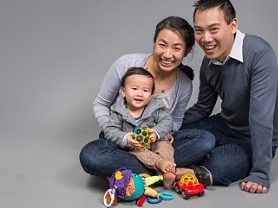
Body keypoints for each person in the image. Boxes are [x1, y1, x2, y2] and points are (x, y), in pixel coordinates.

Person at [79, 16, 214, 181]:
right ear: (154, 43)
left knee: (205, 140)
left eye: (177, 48)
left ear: (186, 51)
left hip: (157, 141)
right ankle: (169, 171)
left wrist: (162, 133)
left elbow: (176, 121)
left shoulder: (184, 84)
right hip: (122, 141)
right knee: (91, 155)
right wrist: (121, 137)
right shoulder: (126, 64)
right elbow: (101, 104)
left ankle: (133, 172)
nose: (167, 54)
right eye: (162, 45)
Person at [182, 0, 278, 194]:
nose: (205, 39)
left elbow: (260, 117)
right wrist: (164, 125)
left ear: (233, 25)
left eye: (214, 29)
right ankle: (172, 161)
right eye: (199, 31)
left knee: (218, 166)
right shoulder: (208, 63)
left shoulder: (259, 54)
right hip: (224, 125)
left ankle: (185, 166)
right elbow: (203, 108)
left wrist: (261, 172)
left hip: (252, 136)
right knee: (173, 136)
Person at [103, 67, 195, 187]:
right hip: (135, 146)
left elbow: (167, 120)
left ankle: (168, 171)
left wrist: (156, 132)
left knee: (164, 146)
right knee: (138, 151)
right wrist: (125, 138)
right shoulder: (117, 111)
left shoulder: (155, 108)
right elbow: (110, 130)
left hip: (156, 141)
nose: (140, 94)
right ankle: (160, 164)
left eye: (145, 90)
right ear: (123, 91)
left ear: (151, 95)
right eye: (134, 88)